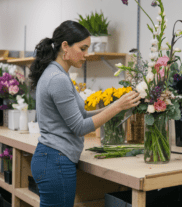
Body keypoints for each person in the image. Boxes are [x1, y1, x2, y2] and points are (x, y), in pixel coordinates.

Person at [29, 20, 141, 207]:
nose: (86, 55)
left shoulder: (54, 73)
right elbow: (80, 127)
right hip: (56, 162)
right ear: (65, 46)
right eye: (83, 48)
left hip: (50, 159)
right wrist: (117, 107)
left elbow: (80, 117)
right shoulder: (58, 78)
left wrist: (117, 106)